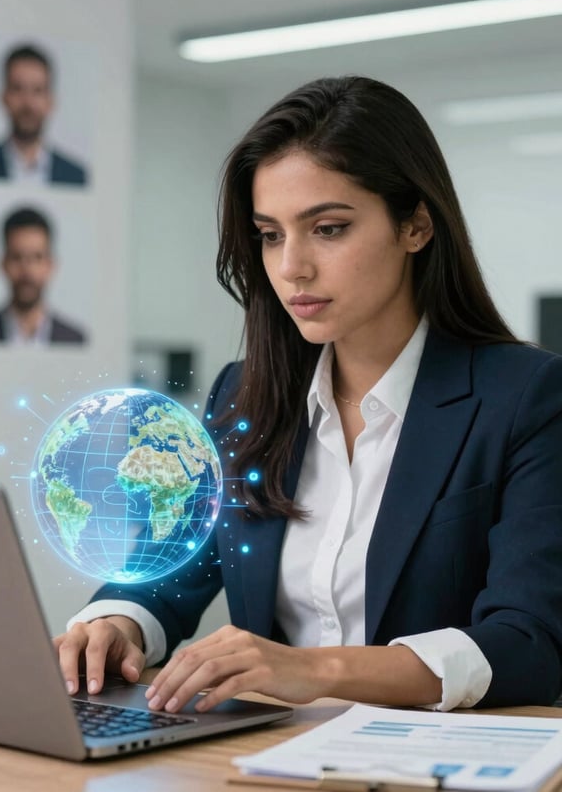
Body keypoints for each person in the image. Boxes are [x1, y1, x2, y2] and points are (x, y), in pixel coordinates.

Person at [55, 76, 562, 713]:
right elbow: (172, 576)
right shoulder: (243, 395)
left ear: (416, 226)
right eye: (270, 234)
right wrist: (115, 623)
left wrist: (312, 669)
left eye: (327, 228)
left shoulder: (525, 397)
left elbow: (528, 645)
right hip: (262, 760)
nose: (292, 266)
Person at [0, 44, 87, 185]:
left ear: (51, 101)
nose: (28, 103)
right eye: (18, 89)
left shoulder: (76, 176)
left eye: (37, 91)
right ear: (3, 97)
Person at [0, 206, 87, 344]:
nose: (27, 270)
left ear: (51, 265)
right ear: (2, 264)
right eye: (17, 257)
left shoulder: (76, 340)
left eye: (37, 257)